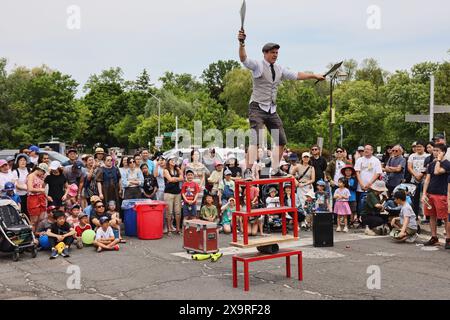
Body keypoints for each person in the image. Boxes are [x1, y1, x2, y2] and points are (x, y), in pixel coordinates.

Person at [238, 30, 325, 178]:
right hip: (257, 107)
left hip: (271, 109)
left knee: (281, 141)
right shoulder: (258, 65)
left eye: (277, 52)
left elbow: (297, 75)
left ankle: (275, 169)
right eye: (272, 52)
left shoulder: (279, 69)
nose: (275, 55)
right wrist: (241, 43)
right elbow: (243, 59)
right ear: (265, 53)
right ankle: (248, 170)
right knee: (256, 140)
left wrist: (313, 75)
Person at [421, 143, 450, 246]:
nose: (435, 152)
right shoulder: (431, 164)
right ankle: (434, 237)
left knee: (445, 217)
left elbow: (437, 172)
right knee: (431, 216)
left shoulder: (447, 164)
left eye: (437, 151)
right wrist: (424, 194)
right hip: (430, 194)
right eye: (434, 150)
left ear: (443, 152)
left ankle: (448, 239)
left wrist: (438, 160)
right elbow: (427, 180)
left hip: (442, 194)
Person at [354, 145, 383, 212]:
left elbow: (378, 173)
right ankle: (359, 218)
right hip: (360, 187)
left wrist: (369, 183)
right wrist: (361, 184)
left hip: (372, 187)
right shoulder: (359, 160)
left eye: (368, 149)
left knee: (371, 204)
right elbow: (357, 172)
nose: (366, 150)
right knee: (360, 204)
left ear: (372, 151)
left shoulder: (376, 160)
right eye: (365, 149)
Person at [163, 155, 183, 234]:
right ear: (168, 161)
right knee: (169, 211)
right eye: (172, 160)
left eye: (174, 160)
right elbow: (170, 179)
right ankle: (169, 229)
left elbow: (182, 178)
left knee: (178, 211)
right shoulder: (165, 170)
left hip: (177, 192)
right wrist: (175, 179)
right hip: (168, 193)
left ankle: (178, 229)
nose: (173, 162)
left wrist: (174, 178)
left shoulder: (177, 170)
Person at [26, 163, 48, 232]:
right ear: (40, 170)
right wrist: (41, 190)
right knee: (34, 220)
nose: (43, 174)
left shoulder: (40, 177)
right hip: (33, 198)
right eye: (43, 172)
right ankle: (32, 235)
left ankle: (37, 233)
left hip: (41, 197)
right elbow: (30, 188)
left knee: (41, 218)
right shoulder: (31, 176)